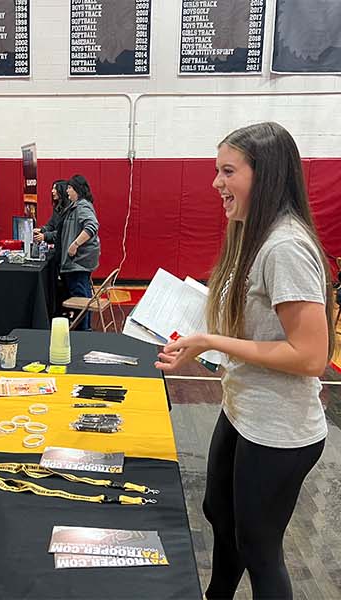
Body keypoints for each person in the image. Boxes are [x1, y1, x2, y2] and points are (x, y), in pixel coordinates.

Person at [154, 122, 331, 600]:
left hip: (279, 430)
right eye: (216, 171)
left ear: (265, 175)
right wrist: (206, 338)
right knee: (220, 513)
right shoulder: (252, 234)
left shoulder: (285, 247)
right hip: (243, 411)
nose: (216, 183)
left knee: (260, 547)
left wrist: (215, 341)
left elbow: (312, 355)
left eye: (227, 171)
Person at [40, 175, 102, 330]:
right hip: (76, 263)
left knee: (81, 297)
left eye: (70, 188)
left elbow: (92, 226)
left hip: (78, 263)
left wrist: (75, 244)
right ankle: (84, 328)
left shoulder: (82, 206)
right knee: (82, 296)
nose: (67, 190)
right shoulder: (74, 206)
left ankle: (84, 330)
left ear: (77, 190)